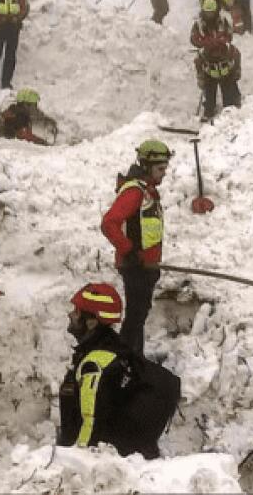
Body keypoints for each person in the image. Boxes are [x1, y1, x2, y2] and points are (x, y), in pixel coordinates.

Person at [58, 282, 181, 459]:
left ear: (91, 323)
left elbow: (90, 421)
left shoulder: (95, 365)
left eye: (76, 312)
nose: (70, 315)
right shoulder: (114, 347)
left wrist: (76, 460)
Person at [100, 140, 172, 355]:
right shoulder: (134, 192)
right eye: (160, 169)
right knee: (134, 319)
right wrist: (129, 252)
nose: (164, 174)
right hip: (135, 266)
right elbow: (109, 223)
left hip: (146, 267)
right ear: (146, 166)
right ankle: (123, 362)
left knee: (137, 317)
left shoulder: (147, 191)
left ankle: (132, 360)